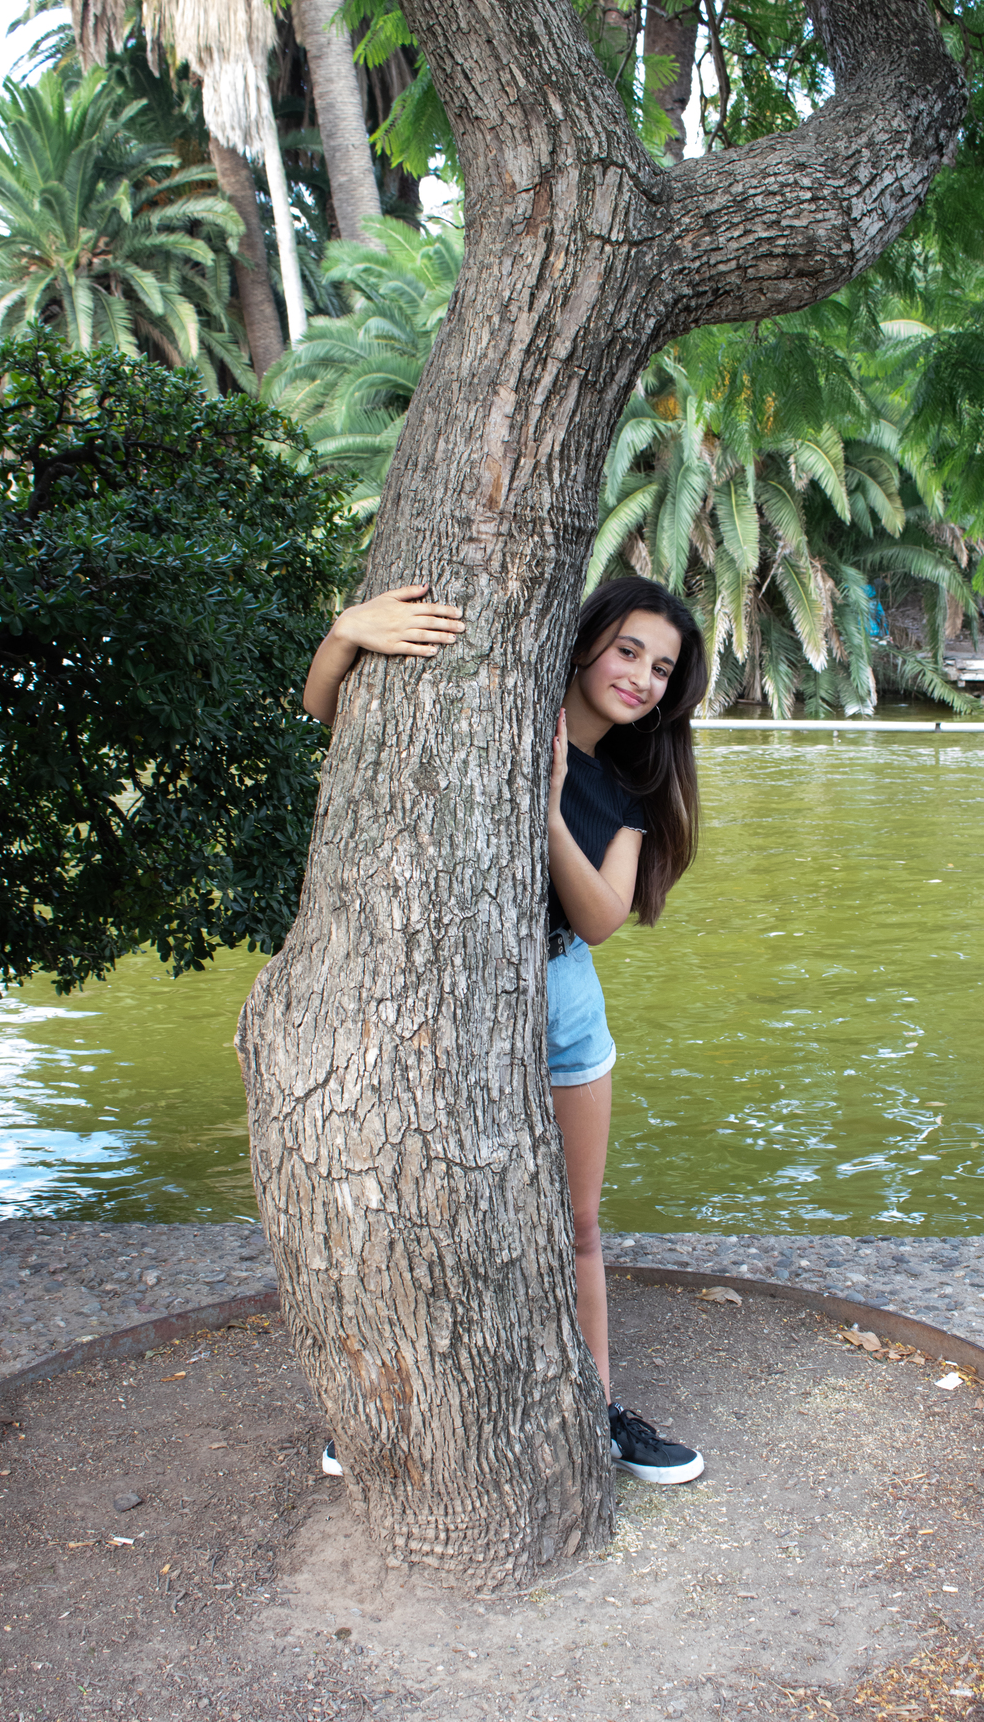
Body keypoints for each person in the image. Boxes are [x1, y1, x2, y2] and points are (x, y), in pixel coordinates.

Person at [303, 574, 709, 1485]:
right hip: (451, 998)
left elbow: (601, 917)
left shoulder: (626, 789)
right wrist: (346, 634)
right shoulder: (489, 708)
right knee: (422, 1213)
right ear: (587, 640)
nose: (641, 676)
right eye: (628, 649)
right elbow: (334, 717)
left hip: (564, 999)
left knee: (579, 1224)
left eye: (663, 667)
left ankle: (597, 1412)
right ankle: (389, 1413)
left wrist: (551, 800)